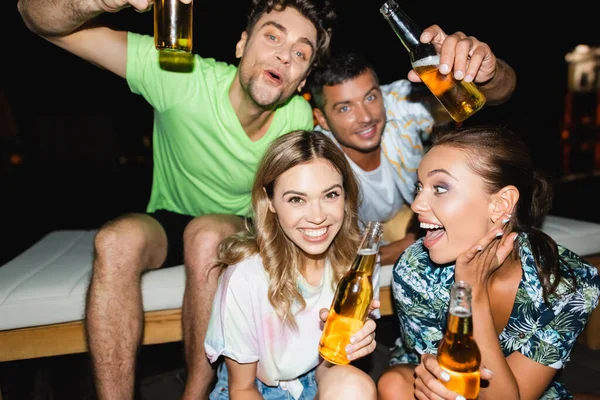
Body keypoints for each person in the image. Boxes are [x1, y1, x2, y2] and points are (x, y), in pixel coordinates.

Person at [16, 0, 337, 398]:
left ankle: (194, 395)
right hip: (169, 215)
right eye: (272, 35)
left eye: (301, 52)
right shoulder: (178, 76)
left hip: (236, 225)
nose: (284, 56)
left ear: (303, 79)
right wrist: (95, 3)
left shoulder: (296, 120)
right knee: (114, 241)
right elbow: (38, 21)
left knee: (205, 235)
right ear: (241, 45)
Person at [377, 125, 600, 399]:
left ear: (501, 204)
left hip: (522, 391)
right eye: (420, 187)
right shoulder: (416, 270)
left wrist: (474, 294)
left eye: (440, 188)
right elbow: (452, 386)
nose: (416, 204)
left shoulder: (568, 281)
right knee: (395, 384)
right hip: (438, 390)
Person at [307, 36, 517, 265]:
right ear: (322, 119)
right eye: (345, 108)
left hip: (409, 215)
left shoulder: (397, 103)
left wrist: (487, 73)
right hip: (351, 234)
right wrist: (402, 245)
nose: (366, 117)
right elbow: (332, 251)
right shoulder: (318, 160)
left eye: (370, 97)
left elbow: (495, 94)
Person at [204, 130, 378, 399]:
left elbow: (326, 371)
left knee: (354, 385)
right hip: (256, 390)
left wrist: (347, 347)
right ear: (270, 201)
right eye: (297, 199)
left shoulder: (359, 264)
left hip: (316, 380)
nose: (317, 216)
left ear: (346, 194)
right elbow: (242, 389)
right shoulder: (246, 276)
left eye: (330, 195)